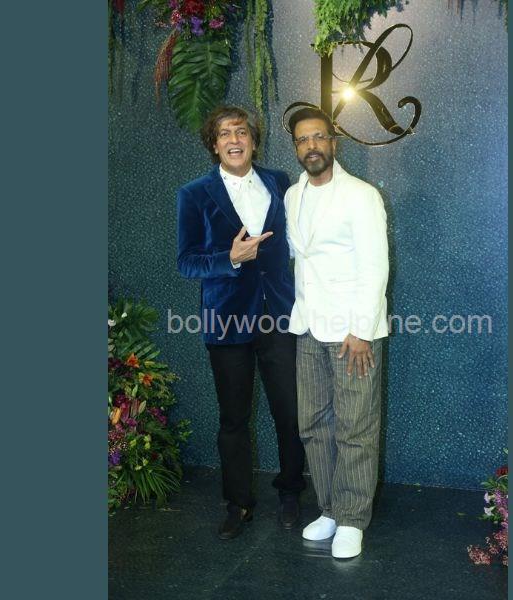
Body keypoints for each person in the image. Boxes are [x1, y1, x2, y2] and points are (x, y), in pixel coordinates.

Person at [176, 105, 306, 540]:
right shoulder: (194, 194)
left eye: (242, 131)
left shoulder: (279, 182)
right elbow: (186, 262)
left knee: (290, 412)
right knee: (233, 419)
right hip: (226, 321)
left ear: (253, 139)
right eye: (225, 134)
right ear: (214, 145)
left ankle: (291, 491)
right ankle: (238, 503)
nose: (234, 139)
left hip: (279, 316)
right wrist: (229, 258)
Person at [284, 107, 389, 558]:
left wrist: (361, 329)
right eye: (302, 140)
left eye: (318, 137)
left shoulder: (361, 195)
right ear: (296, 148)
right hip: (309, 326)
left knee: (355, 426)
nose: (311, 146)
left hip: (352, 332)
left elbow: (375, 265)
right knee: (313, 424)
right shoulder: (292, 196)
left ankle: (352, 519)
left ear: (333, 142)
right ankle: (329, 509)